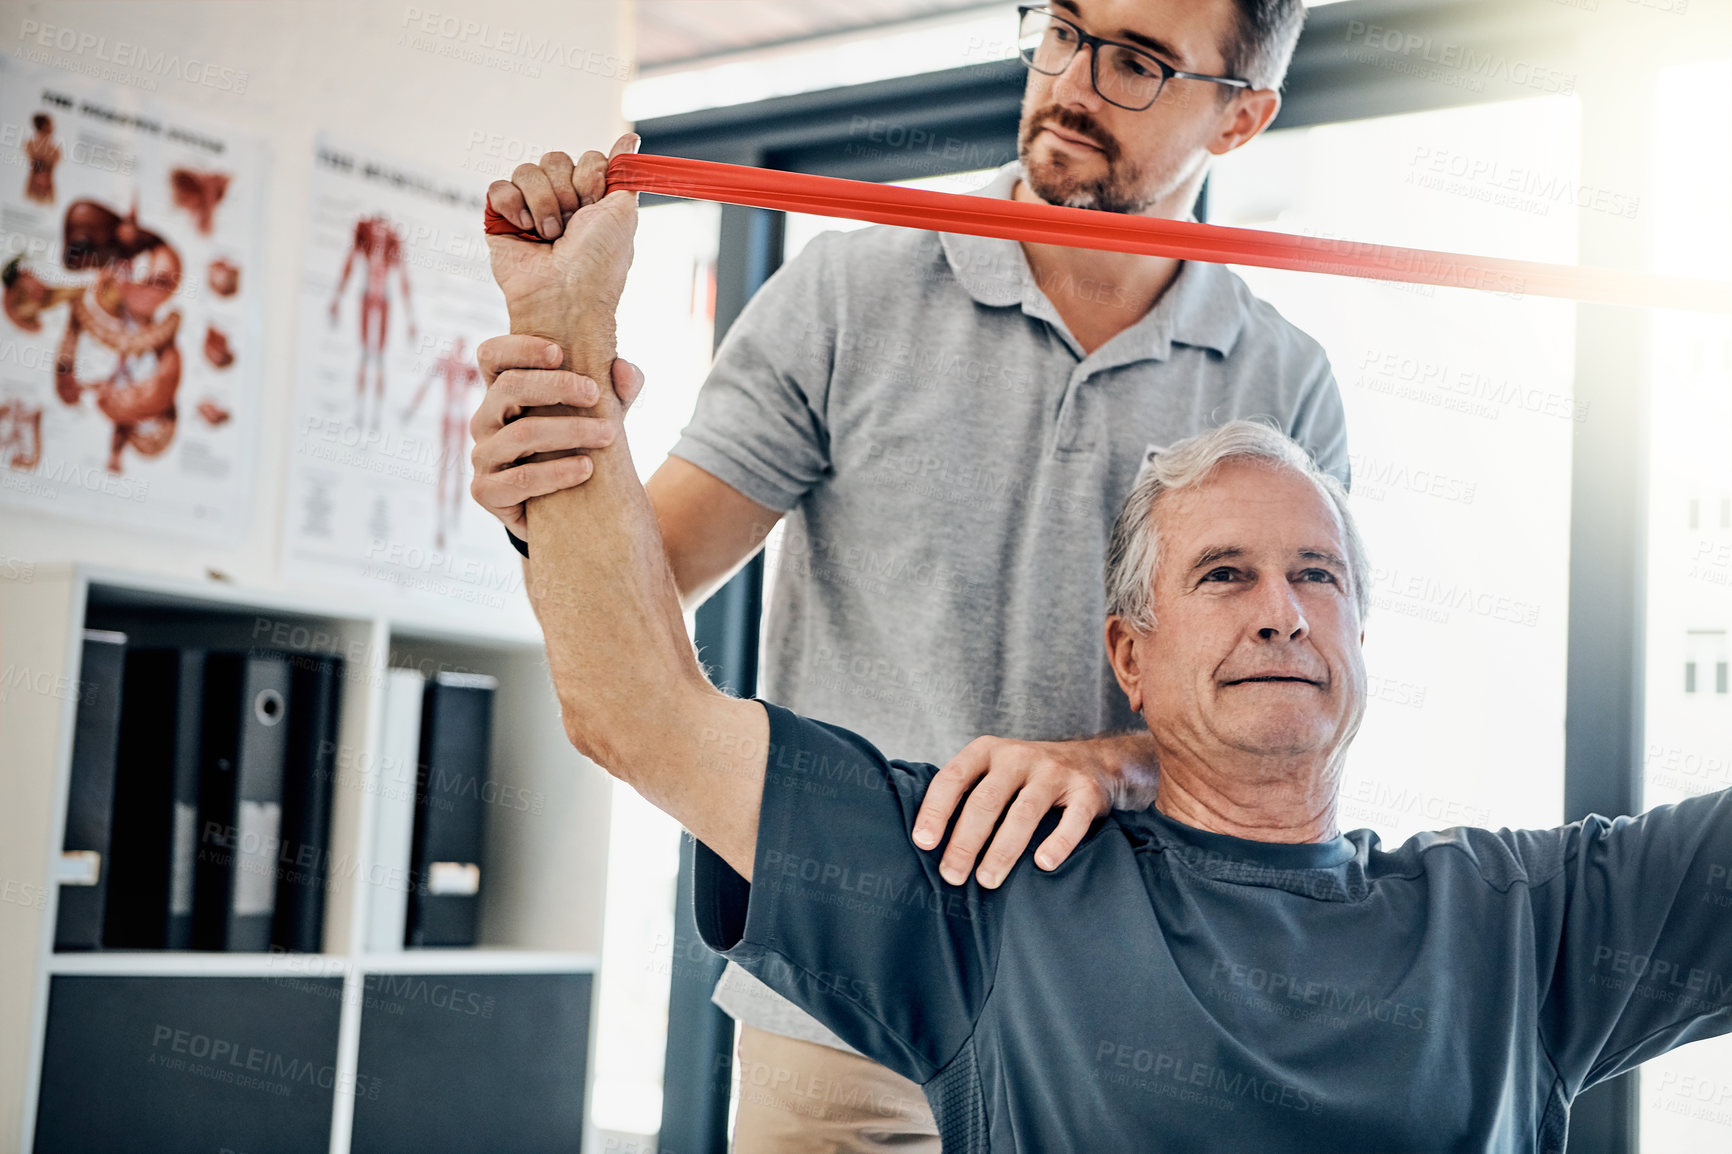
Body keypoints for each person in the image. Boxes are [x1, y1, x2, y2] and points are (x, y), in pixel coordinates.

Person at [482, 181, 1732, 1148]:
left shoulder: (1514, 918)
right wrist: (561, 331)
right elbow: (637, 706)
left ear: (1361, 636)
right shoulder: (987, 893)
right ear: (1127, 655)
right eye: (1224, 574)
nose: (1285, 611)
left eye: (1318, 575)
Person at [479, 0, 1343, 1143]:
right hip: (840, 1003)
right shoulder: (848, 290)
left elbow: (1295, 719)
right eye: (1065, 29)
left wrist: (1119, 765)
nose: (1073, 81)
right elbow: (655, 577)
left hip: (1118, 1011)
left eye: (1136, 62)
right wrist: (557, 469)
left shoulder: (1284, 378)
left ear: (1240, 119)